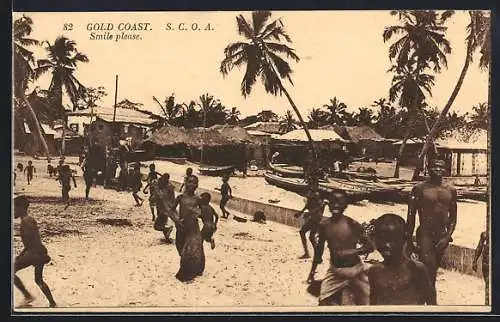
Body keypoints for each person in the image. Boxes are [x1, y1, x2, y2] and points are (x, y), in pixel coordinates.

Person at [308, 190, 373, 306]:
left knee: (367, 303)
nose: (336, 205)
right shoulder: (324, 226)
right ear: (328, 204)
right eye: (333, 202)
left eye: (340, 202)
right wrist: (312, 271)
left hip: (355, 271)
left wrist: (350, 252)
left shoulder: (352, 224)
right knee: (323, 301)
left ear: (346, 205)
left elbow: (370, 247)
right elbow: (319, 250)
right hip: (335, 272)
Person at [406, 158, 457, 303]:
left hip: (441, 235)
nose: (438, 169)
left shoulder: (451, 190)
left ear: (446, 169)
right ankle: (432, 303)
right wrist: (409, 240)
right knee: (429, 269)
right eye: (434, 166)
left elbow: (453, 218)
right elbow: (411, 217)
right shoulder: (419, 189)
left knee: (431, 270)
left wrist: (447, 237)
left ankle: (422, 300)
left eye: (441, 166)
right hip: (425, 234)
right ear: (428, 168)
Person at [368, 213, 435, 305]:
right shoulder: (374, 271)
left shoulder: (416, 269)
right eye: (381, 239)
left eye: (392, 240)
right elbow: (373, 305)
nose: (386, 245)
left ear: (403, 239)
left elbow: (431, 303)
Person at [13, 196, 57, 307]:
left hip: (34, 254)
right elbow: (33, 242)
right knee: (39, 280)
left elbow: (32, 243)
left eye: (15, 208)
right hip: (38, 253)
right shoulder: (29, 220)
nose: (13, 211)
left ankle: (27, 296)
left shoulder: (26, 222)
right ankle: (52, 303)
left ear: (21, 208)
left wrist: (24, 256)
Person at [170, 175, 205, 282]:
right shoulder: (180, 197)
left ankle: (190, 271)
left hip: (193, 227)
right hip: (182, 227)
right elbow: (171, 210)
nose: (192, 185)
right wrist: (176, 220)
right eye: (190, 182)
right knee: (180, 247)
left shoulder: (198, 199)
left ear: (197, 185)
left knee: (192, 249)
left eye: (194, 182)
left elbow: (204, 213)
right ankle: (190, 266)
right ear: (186, 183)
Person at [294, 187, 326, 259]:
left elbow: (319, 207)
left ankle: (308, 253)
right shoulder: (310, 195)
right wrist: (300, 213)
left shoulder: (316, 195)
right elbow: (307, 206)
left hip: (316, 218)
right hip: (315, 218)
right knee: (311, 237)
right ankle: (315, 254)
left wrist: (309, 213)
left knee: (303, 232)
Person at [154, 173, 176, 243]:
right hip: (162, 208)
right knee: (162, 224)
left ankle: (168, 229)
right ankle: (167, 237)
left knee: (157, 226)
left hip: (164, 209)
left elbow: (162, 196)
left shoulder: (167, 187)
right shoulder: (165, 185)